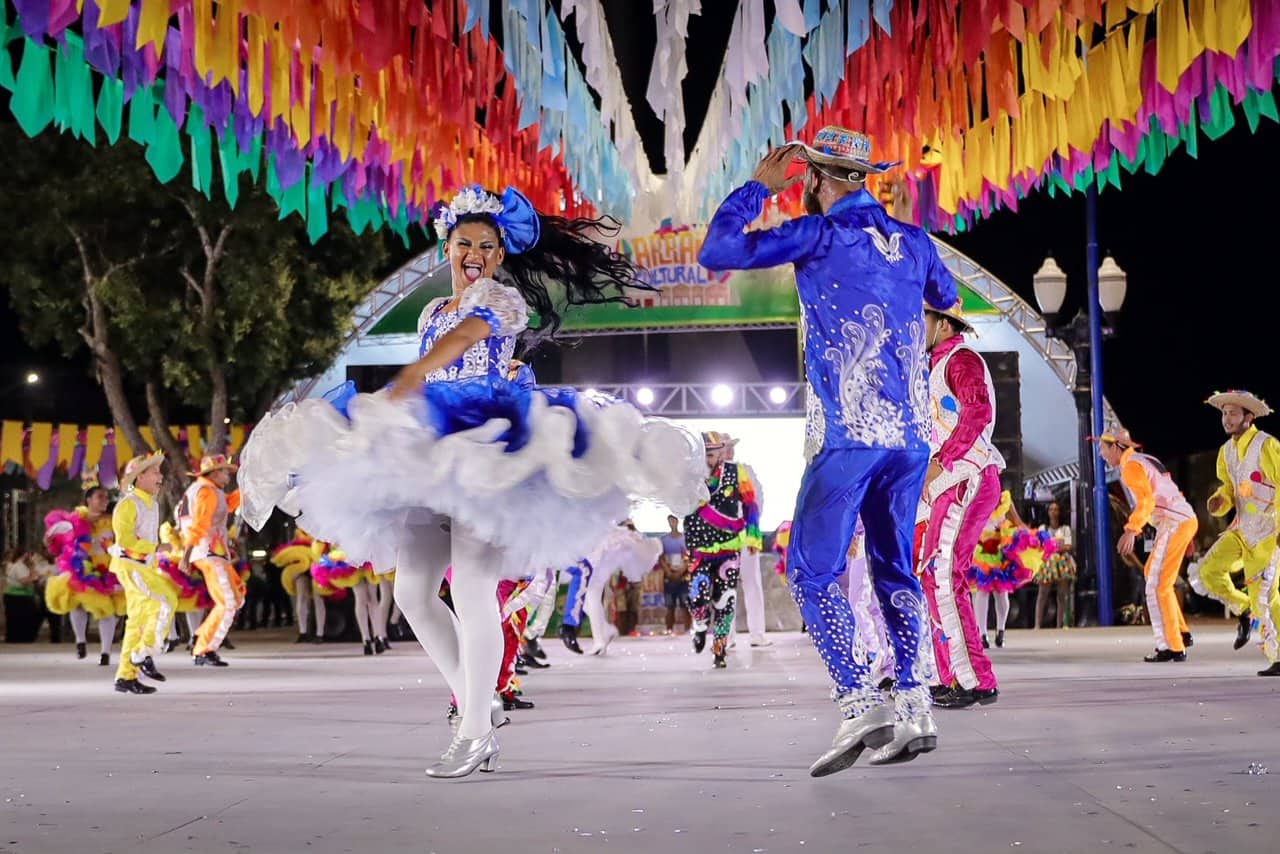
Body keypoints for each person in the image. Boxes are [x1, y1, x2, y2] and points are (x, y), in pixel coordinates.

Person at [237, 182, 706, 778]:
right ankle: (477, 708)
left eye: (488, 244)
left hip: (488, 447)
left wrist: (413, 375)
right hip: (429, 449)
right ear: (447, 246)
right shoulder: (433, 310)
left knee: (472, 587)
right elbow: (447, 334)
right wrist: (412, 389)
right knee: (412, 591)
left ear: (500, 255)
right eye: (465, 243)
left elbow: (470, 336)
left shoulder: (504, 300)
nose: (475, 253)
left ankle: (476, 728)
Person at [699, 126, 956, 772]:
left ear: (816, 179)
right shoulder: (915, 241)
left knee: (811, 571)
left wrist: (759, 187)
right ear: (865, 177)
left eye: (807, 177)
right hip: (909, 438)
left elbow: (718, 249)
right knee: (895, 570)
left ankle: (856, 700)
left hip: (849, 434)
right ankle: (916, 706)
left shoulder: (819, 234)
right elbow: (946, 300)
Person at [915, 301, 1005, 709]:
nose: (917, 325)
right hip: (948, 481)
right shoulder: (935, 366)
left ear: (944, 324)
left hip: (966, 475)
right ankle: (949, 675)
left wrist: (942, 460)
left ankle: (975, 681)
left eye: (924, 318)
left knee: (945, 573)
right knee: (933, 575)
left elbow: (978, 411)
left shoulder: (960, 358)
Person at [1192, 391, 1280, 676]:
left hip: (1268, 534)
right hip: (1241, 530)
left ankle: (1278, 656)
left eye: (1232, 413)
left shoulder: (1267, 445)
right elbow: (1229, 491)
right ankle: (1241, 608)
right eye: (1223, 413)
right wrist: (1220, 501)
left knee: (1265, 597)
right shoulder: (1226, 451)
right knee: (1206, 572)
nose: (1225, 419)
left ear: (1248, 417)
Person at [1094, 428, 1197, 662]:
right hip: (1180, 520)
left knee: (1156, 585)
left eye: (1103, 448)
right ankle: (1180, 632)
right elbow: (1169, 492)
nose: (1101, 454)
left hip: (1174, 522)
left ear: (1116, 447)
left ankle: (1171, 646)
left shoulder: (1130, 466)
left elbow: (1147, 500)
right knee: (1156, 576)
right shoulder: (1146, 459)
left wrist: (1131, 529)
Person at [683, 432, 761, 669]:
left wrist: (754, 537)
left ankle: (720, 649)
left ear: (720, 452)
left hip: (728, 549)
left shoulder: (737, 473)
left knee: (725, 601)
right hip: (699, 550)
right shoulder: (688, 477)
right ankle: (699, 625)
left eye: (712, 454)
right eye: (704, 454)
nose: (708, 459)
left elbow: (751, 505)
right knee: (698, 596)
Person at [110, 452, 178, 694]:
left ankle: (126, 676)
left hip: (143, 566)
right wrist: (156, 547)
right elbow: (126, 540)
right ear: (139, 478)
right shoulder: (128, 504)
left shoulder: (152, 503)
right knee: (164, 601)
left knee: (137, 621)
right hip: (131, 566)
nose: (160, 476)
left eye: (160, 471)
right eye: (155, 472)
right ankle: (144, 652)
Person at [42, 482, 123, 664]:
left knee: (107, 611)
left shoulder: (114, 520)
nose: (104, 500)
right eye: (100, 496)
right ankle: (80, 640)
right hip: (81, 568)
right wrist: (50, 541)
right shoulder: (74, 520)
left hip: (106, 569)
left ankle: (105, 653)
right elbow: (58, 545)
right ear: (88, 500)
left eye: (106, 497)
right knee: (78, 605)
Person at [178, 455, 243, 667]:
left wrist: (250, 491)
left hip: (211, 553)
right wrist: (185, 556)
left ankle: (202, 639)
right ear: (214, 474)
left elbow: (229, 504)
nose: (228, 475)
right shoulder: (207, 493)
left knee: (235, 597)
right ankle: (204, 649)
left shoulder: (207, 491)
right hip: (209, 552)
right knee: (229, 602)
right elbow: (199, 525)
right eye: (225, 472)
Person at [724, 440, 769, 646]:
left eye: (731, 446)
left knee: (752, 582)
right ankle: (727, 634)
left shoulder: (745, 470)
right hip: (723, 537)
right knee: (725, 585)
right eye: (725, 447)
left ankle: (757, 633)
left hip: (746, 533)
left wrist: (752, 528)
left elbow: (758, 499)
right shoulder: (712, 476)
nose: (729, 450)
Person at [1035, 502, 1076, 629]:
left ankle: (1061, 624)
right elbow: (1039, 546)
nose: (1053, 512)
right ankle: (1037, 625)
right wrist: (1058, 545)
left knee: (1062, 594)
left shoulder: (1065, 529)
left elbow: (1068, 546)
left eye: (1056, 509)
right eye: (1051, 509)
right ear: (1048, 512)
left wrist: (1052, 546)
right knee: (1042, 594)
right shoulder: (1043, 528)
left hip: (1062, 563)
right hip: (1047, 563)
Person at [659, 515, 690, 634]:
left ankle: (687, 629)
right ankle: (669, 629)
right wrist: (668, 572)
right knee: (669, 605)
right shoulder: (664, 540)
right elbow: (661, 558)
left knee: (685, 605)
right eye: (670, 520)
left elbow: (689, 557)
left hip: (683, 576)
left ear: (678, 521)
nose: (672, 523)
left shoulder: (685, 539)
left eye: (674, 520)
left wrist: (681, 571)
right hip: (669, 576)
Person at [4, 550, 41, 643]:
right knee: (18, 619)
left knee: (25, 618)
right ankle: (19, 639)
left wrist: (32, 569)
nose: (31, 558)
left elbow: (32, 575)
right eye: (28, 555)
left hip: (23, 596)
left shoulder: (23, 566)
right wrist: (33, 577)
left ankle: (23, 638)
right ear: (24, 555)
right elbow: (24, 581)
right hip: (17, 597)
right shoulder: (19, 566)